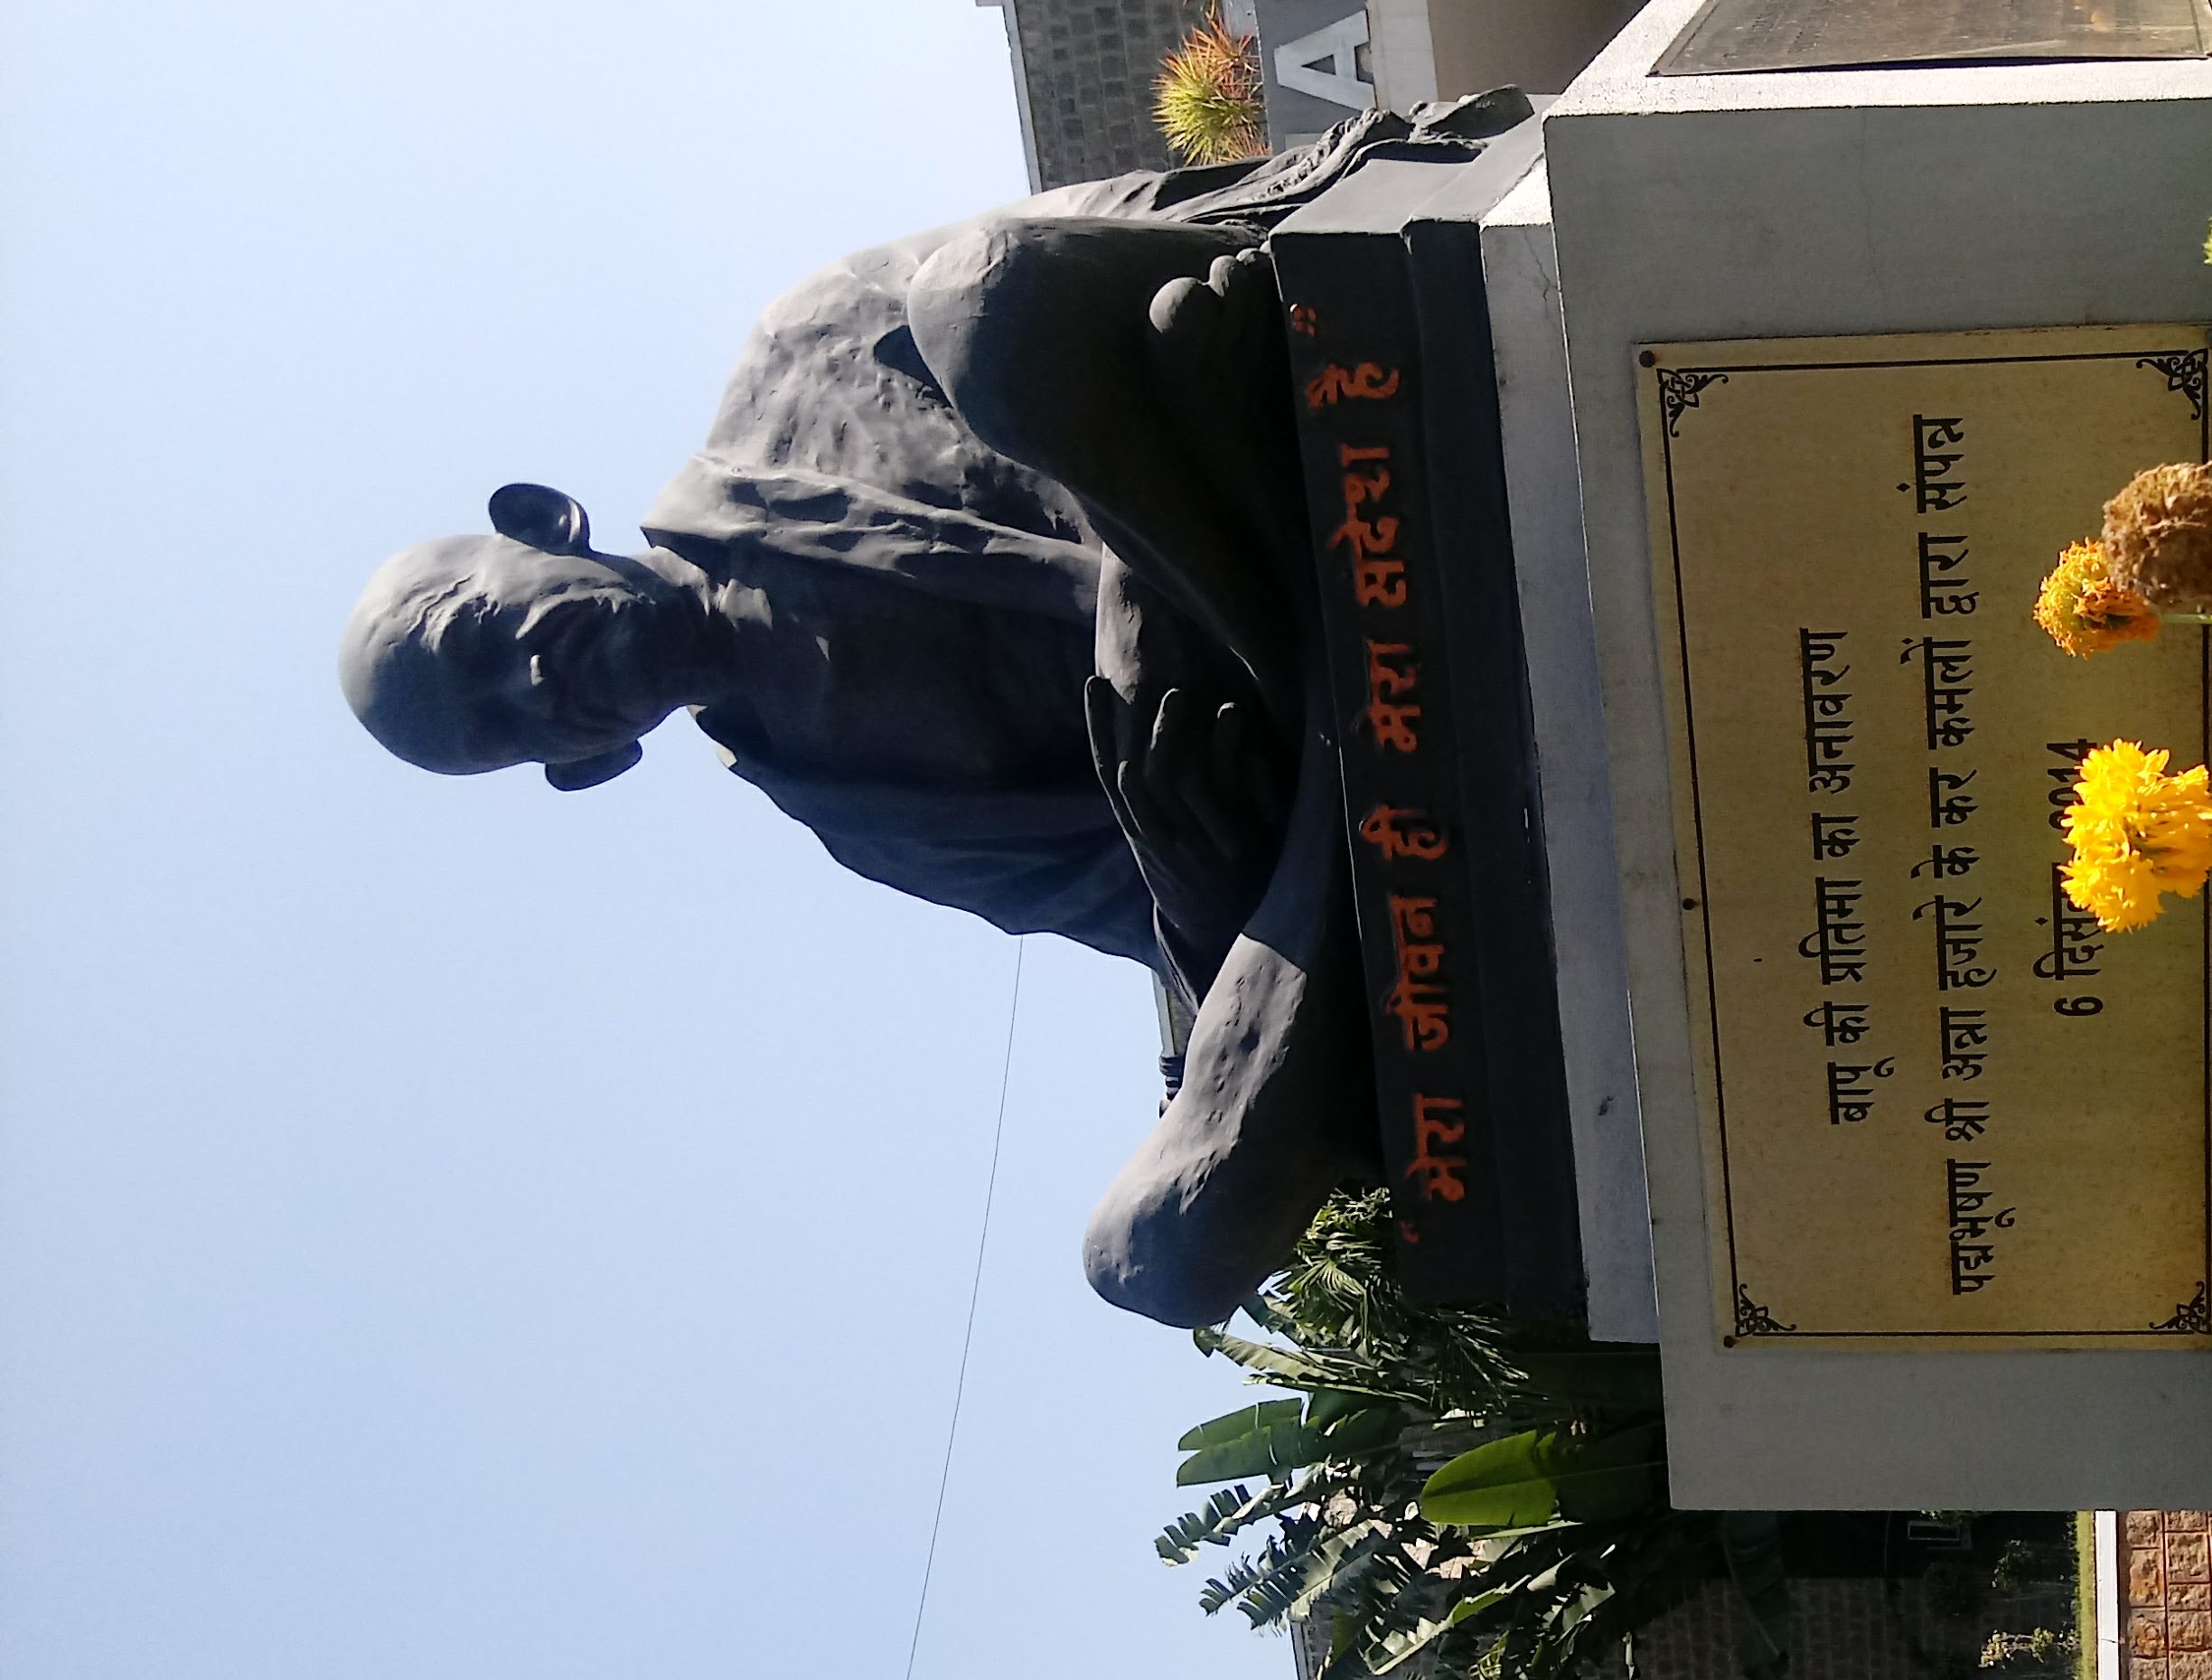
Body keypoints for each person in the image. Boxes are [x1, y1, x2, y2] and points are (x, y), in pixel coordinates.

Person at [338, 95, 1533, 1325]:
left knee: (985, 299)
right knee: (1153, 1255)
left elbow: (1164, 247)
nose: (531, 686)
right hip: (1283, 748)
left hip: (1282, 429)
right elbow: (1173, 925)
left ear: (539, 524)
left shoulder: (805, 345)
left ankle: (1360, 696)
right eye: (503, 728)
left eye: (479, 640)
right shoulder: (866, 815)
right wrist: (1193, 866)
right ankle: (1361, 709)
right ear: (585, 764)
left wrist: (1158, 537)